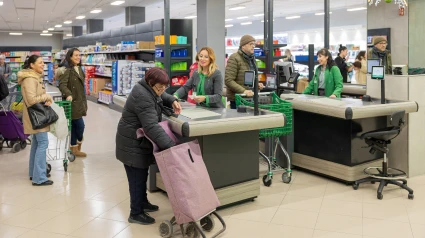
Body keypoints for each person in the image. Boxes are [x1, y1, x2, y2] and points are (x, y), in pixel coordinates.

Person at [115, 67, 182, 225]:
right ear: (150, 83)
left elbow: (161, 95)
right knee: (137, 179)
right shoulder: (143, 96)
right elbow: (151, 127)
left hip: (136, 142)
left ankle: (143, 202)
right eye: (159, 88)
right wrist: (171, 146)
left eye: (164, 87)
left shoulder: (146, 87)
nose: (162, 91)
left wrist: (172, 99)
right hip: (132, 143)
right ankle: (136, 213)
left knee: (142, 173)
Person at [18, 55, 53, 186]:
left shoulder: (34, 78)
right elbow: (32, 100)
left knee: (36, 144)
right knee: (43, 143)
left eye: (43, 62)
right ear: (32, 65)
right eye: (40, 62)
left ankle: (34, 173)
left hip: (35, 116)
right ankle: (40, 178)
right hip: (37, 117)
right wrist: (46, 96)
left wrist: (45, 99)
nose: (43, 64)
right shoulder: (30, 79)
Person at [59, 48, 87, 157]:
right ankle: (78, 141)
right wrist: (68, 94)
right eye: (75, 55)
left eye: (79, 55)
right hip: (72, 103)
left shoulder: (79, 69)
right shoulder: (66, 70)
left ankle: (74, 148)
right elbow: (62, 85)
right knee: (80, 126)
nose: (78, 57)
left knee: (75, 126)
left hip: (80, 101)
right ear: (70, 57)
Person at [225, 34, 264, 109]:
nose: (253, 46)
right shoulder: (234, 58)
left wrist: (257, 84)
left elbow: (250, 78)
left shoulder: (252, 58)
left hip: (250, 98)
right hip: (238, 100)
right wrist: (243, 91)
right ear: (243, 46)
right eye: (250, 44)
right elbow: (228, 80)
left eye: (254, 44)